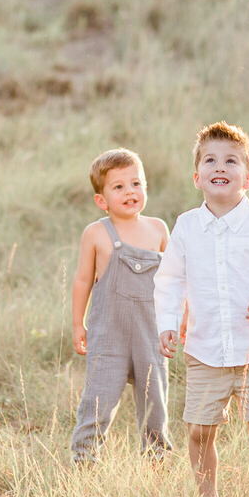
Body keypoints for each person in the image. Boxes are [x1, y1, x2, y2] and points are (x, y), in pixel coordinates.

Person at [155, 122, 249, 497]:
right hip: (204, 349)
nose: (221, 166)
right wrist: (168, 323)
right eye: (211, 159)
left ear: (248, 178)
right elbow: (169, 281)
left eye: (231, 160)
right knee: (199, 430)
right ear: (197, 176)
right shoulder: (186, 226)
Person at [69, 149, 174, 463]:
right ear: (101, 200)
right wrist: (78, 324)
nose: (130, 191)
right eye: (119, 187)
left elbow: (172, 282)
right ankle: (85, 458)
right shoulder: (97, 234)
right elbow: (83, 281)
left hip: (149, 336)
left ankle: (156, 460)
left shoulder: (158, 229)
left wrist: (179, 319)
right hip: (108, 338)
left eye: (136, 183)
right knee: (98, 402)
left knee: (155, 403)